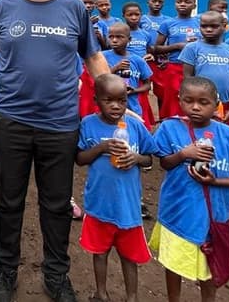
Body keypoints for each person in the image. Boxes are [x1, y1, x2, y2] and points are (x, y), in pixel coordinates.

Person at [0, 0, 108, 302]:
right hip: (12, 120)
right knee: (9, 201)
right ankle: (5, 270)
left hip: (60, 123)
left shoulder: (74, 7)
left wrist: (112, 92)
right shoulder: (4, 8)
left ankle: (56, 274)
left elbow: (93, 57)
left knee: (56, 203)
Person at [150, 77, 229, 301]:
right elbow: (164, 163)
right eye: (189, 101)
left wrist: (215, 182)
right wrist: (184, 154)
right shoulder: (170, 128)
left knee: (211, 268)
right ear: (179, 100)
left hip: (214, 217)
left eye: (203, 102)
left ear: (216, 103)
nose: (196, 107)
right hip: (177, 212)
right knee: (173, 264)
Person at [76, 74, 157, 302]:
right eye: (108, 100)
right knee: (99, 252)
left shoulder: (135, 125)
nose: (115, 106)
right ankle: (101, 294)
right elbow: (80, 158)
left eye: (121, 100)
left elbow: (150, 158)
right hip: (99, 204)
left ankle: (132, 297)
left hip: (128, 206)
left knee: (128, 256)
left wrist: (136, 158)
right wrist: (101, 147)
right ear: (96, 100)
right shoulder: (88, 124)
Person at [180, 11, 229, 124]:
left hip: (226, 104)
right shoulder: (192, 48)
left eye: (214, 26)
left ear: (224, 27)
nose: (209, 29)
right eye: (204, 26)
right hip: (201, 105)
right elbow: (188, 79)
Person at [153, 0, 200, 119]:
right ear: (175, 4)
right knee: (173, 100)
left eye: (187, 2)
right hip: (175, 67)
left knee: (194, 97)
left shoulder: (200, 22)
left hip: (197, 68)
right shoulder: (168, 23)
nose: (183, 4)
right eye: (179, 2)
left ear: (194, 5)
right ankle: (171, 127)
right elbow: (156, 48)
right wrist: (177, 46)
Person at [102, 23, 153, 129]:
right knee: (112, 130)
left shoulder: (137, 60)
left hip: (132, 105)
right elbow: (100, 80)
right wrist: (115, 68)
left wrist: (134, 90)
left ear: (129, 39)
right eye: (111, 37)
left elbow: (147, 85)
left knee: (131, 130)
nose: (114, 40)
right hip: (110, 105)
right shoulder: (103, 57)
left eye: (119, 37)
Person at [122, 2, 156, 128]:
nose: (134, 17)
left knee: (141, 101)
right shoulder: (121, 33)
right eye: (130, 15)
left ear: (141, 15)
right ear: (123, 16)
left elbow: (150, 50)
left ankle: (142, 125)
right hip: (124, 71)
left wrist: (151, 56)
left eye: (137, 14)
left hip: (140, 72)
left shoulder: (145, 34)